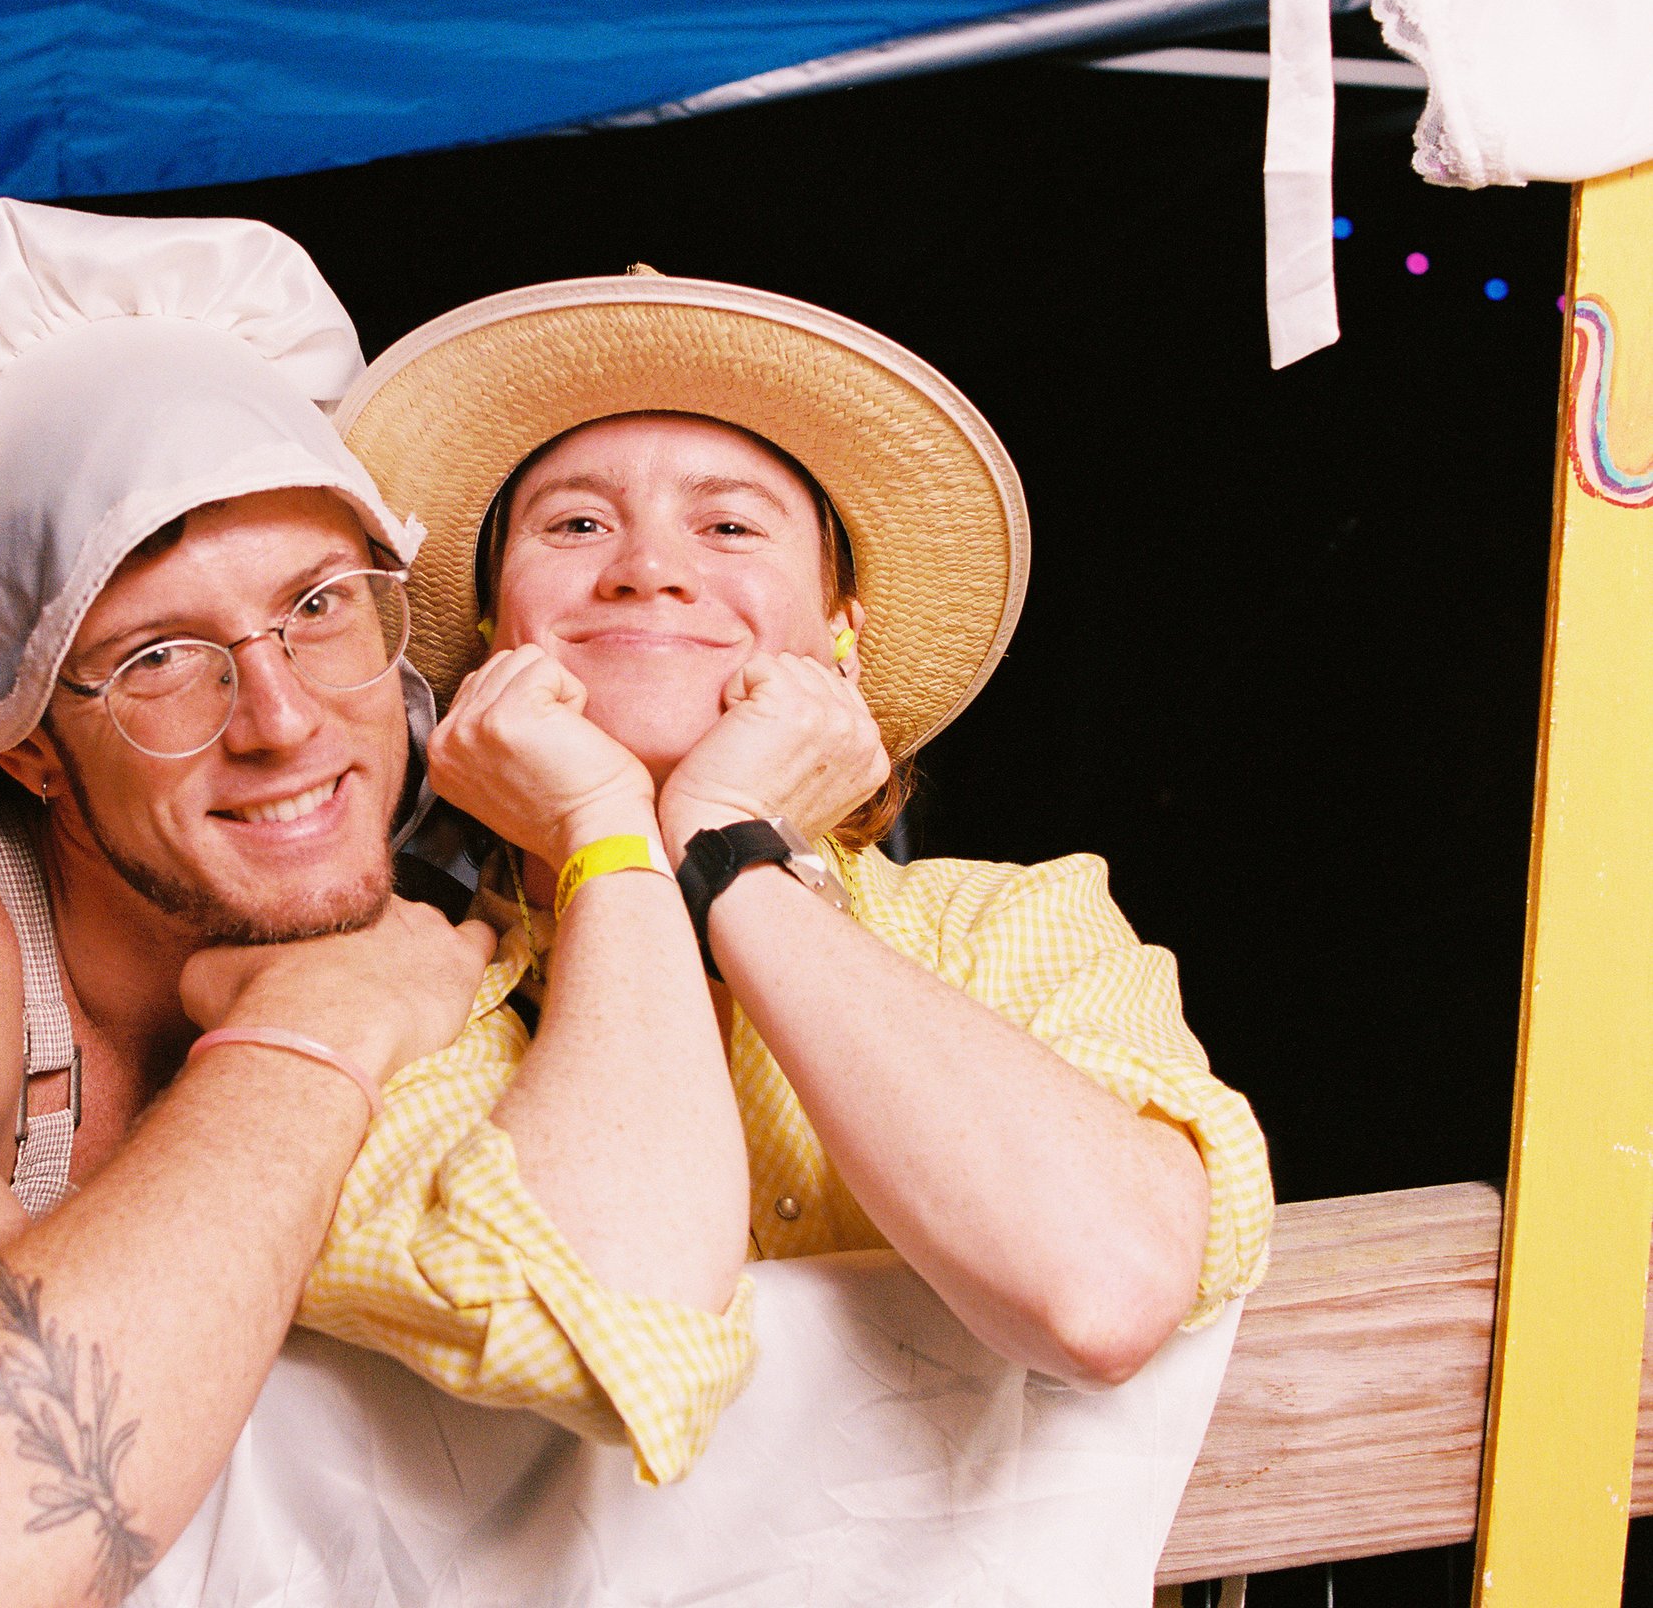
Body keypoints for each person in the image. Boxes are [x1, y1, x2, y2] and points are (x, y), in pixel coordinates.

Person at [0, 201, 764, 1608]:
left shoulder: (486, 902)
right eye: (158, 657)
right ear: (29, 746)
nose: (284, 722)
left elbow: (631, 1314)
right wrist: (315, 1030)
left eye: (318, 605)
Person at [340, 271, 1274, 1400]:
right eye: (577, 523)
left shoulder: (1011, 922)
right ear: (495, 629)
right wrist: (603, 830)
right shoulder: (381, 994)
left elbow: (1100, 1294)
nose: (647, 570)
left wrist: (728, 847)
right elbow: (599, 1338)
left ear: (840, 631)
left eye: (728, 526)